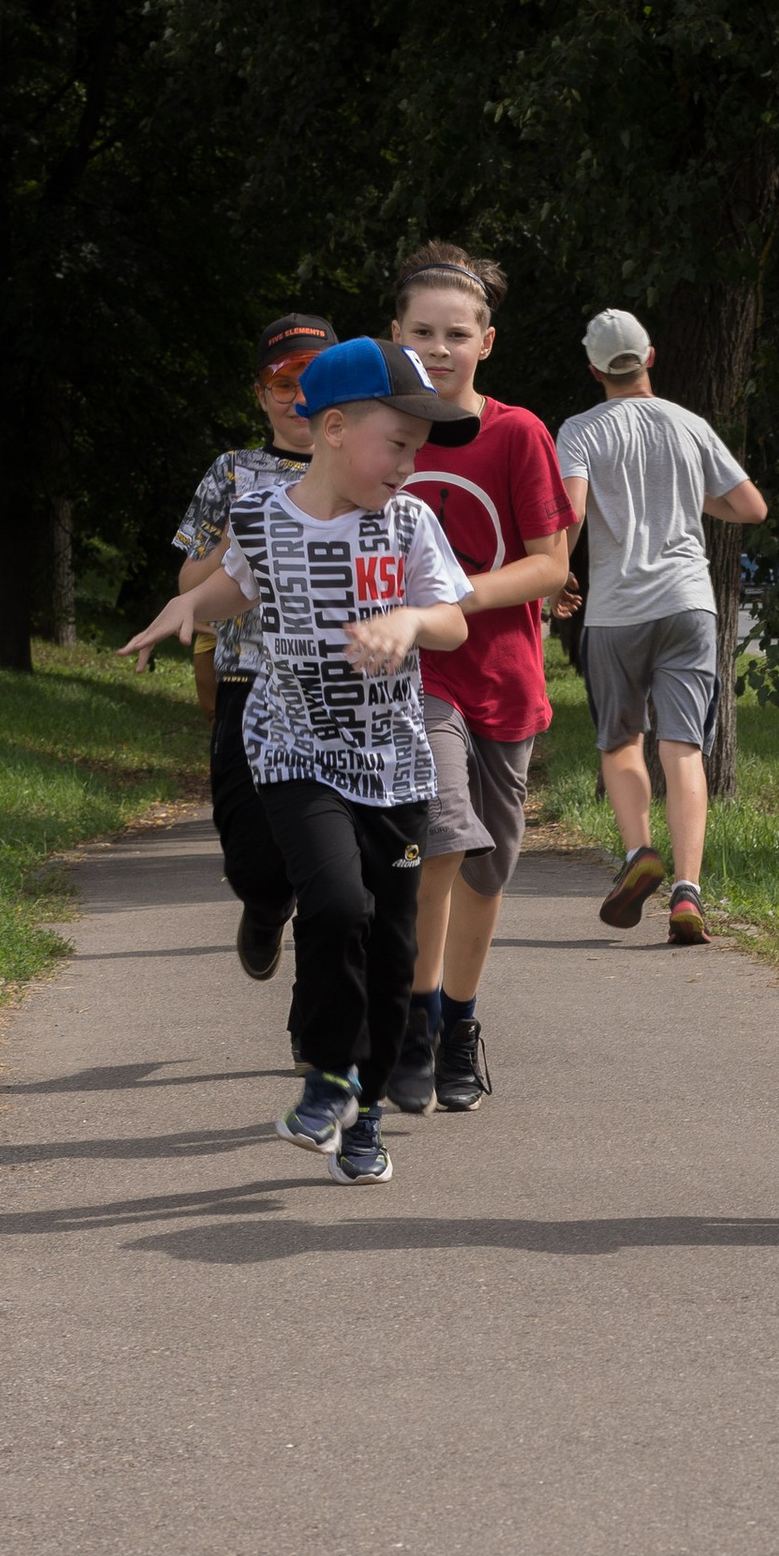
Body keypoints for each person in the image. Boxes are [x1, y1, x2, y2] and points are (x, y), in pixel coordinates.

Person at [122, 339, 471, 1183]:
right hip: (293, 748)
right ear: (336, 428)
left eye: (419, 451)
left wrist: (412, 626)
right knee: (335, 902)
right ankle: (325, 1077)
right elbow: (236, 585)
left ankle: (366, 1109)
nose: (408, 465)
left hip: (393, 765)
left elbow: (453, 619)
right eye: (397, 445)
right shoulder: (263, 515)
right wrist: (186, 606)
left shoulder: (411, 521)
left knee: (391, 948)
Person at [379, 245, 573, 1116]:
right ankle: (415, 1026)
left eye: (457, 333)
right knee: (444, 834)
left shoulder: (518, 433)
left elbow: (548, 566)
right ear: (396, 335)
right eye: (422, 331)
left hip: (507, 680)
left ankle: (459, 1022)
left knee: (487, 868)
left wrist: (457, 592)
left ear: (486, 342)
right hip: (418, 680)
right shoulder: (379, 426)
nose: (439, 346)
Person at [557, 306, 768, 946]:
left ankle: (638, 853)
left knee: (622, 741)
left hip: (618, 610)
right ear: (649, 358)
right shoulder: (690, 425)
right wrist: (683, 493)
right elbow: (749, 507)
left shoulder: (580, 430)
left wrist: (551, 578)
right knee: (682, 748)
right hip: (688, 603)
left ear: (594, 368)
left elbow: (570, 512)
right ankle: (687, 891)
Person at [173, 310, 335, 1019]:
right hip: (247, 687)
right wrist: (240, 529)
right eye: (282, 383)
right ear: (260, 393)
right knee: (256, 865)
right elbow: (190, 592)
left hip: (340, 691)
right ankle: (266, 910)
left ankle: (317, 1027)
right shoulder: (232, 473)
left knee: (335, 879)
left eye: (316, 381)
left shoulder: (367, 462)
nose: (300, 400)